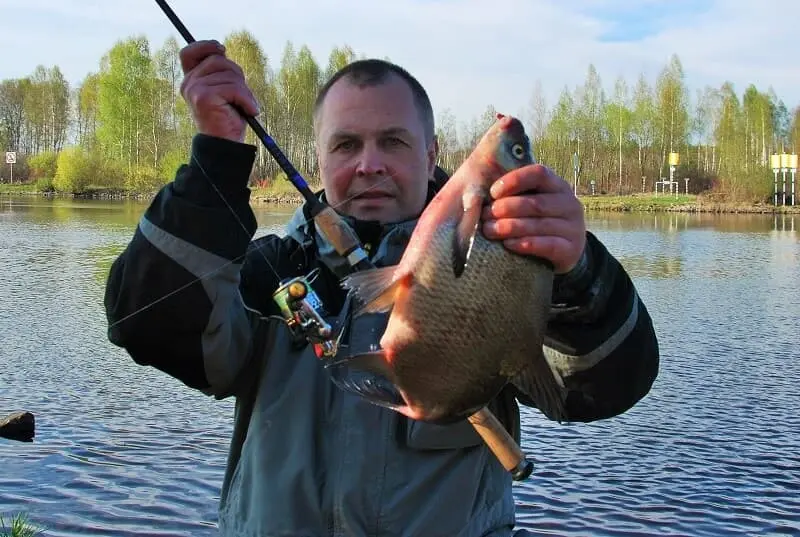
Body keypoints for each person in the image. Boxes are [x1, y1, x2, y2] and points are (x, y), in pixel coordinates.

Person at [104, 39, 659, 537]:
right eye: (346, 145)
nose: (369, 165)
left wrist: (579, 268)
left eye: (393, 141)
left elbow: (603, 390)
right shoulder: (272, 271)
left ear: (432, 155)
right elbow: (147, 326)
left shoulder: (512, 257)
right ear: (319, 158)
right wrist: (215, 160)